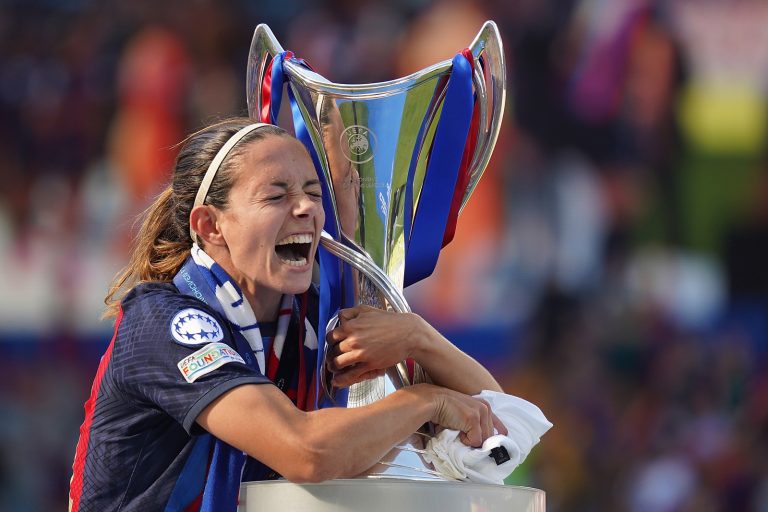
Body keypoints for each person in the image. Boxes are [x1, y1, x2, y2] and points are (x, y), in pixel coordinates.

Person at [68, 118, 505, 511]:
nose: (307, 209)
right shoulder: (163, 320)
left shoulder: (305, 324)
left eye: (314, 193)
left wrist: (416, 337)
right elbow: (306, 451)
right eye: (277, 195)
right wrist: (425, 400)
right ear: (210, 226)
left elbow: (498, 422)